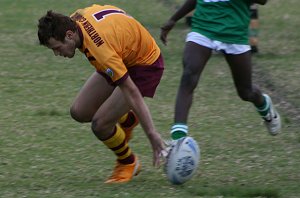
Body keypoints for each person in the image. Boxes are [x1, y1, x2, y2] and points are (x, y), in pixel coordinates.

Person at [37, 4, 165, 183]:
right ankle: (128, 119)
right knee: (80, 112)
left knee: (100, 125)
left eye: (57, 48)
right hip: (121, 54)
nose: (57, 54)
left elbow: (132, 91)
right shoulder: (75, 19)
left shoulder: (100, 51)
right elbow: (116, 11)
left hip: (144, 66)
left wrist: (152, 134)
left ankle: (128, 162)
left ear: (69, 35)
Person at [160, 0, 281, 140]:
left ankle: (264, 105)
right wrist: (173, 19)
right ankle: (178, 139)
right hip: (203, 27)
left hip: (234, 31)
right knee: (188, 77)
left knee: (245, 92)